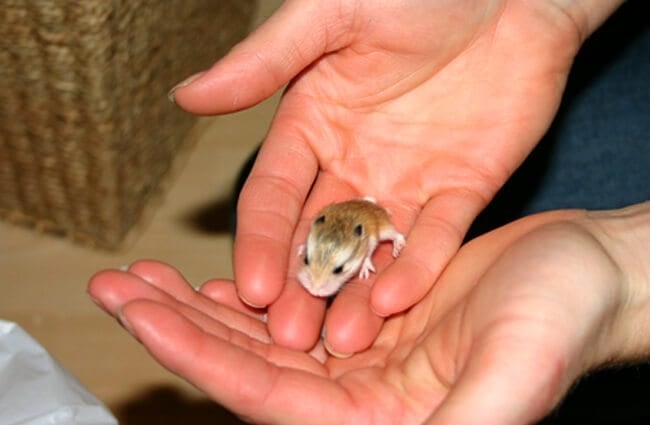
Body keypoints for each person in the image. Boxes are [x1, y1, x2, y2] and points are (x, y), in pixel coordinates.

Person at [88, 0, 649, 423]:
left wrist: (625, 268)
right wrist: (535, 10)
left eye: (326, 268)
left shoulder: (367, 232)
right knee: (257, 192)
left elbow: (378, 228)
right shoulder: (328, 233)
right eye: (316, 263)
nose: (313, 278)